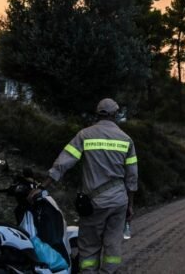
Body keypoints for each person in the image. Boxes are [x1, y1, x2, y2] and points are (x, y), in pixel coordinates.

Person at [35, 98, 138, 273]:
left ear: (98, 114)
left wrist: (44, 185)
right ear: (116, 114)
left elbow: (63, 163)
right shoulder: (126, 140)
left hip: (94, 203)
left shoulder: (85, 135)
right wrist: (130, 205)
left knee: (89, 247)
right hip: (119, 201)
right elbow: (132, 177)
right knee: (113, 245)